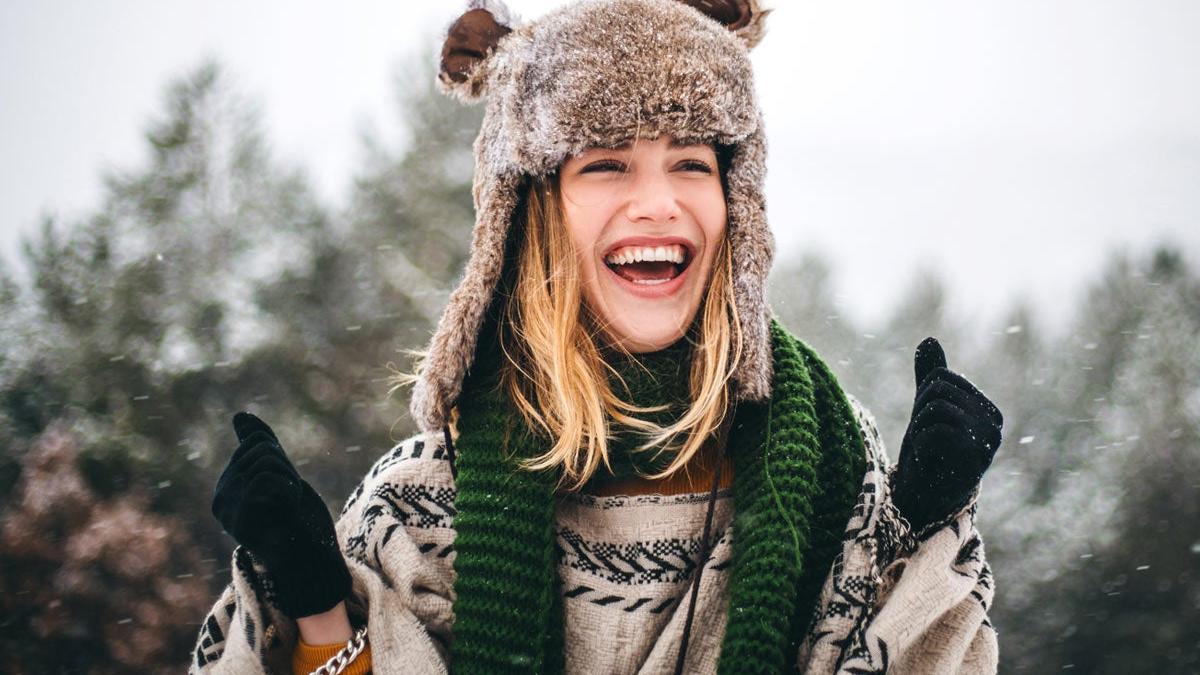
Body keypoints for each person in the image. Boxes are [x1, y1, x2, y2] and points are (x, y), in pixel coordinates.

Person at [191, 1, 1004, 673]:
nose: (658, 202)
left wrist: (921, 521)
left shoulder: (833, 460)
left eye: (691, 162)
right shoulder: (424, 503)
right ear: (533, 211)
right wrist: (317, 605)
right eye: (607, 164)